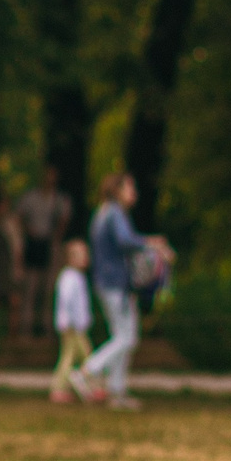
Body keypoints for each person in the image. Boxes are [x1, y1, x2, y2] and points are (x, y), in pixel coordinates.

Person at [83, 171, 165, 410]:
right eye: (130, 188)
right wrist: (152, 244)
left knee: (124, 336)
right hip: (115, 283)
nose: (134, 194)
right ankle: (91, 370)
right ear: (117, 190)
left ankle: (116, 391)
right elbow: (125, 241)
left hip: (108, 282)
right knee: (126, 337)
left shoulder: (102, 213)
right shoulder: (115, 213)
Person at [13, 167, 73, 335]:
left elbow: (64, 219)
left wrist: (55, 237)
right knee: (31, 287)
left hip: (50, 246)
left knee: (49, 289)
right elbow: (19, 216)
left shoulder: (60, 199)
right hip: (33, 245)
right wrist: (29, 231)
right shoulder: (31, 198)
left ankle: (48, 327)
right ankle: (27, 327)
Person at [49, 239, 94, 403]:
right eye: (80, 255)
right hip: (72, 326)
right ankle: (61, 388)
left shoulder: (77, 277)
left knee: (79, 356)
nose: (85, 258)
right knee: (76, 357)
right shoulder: (69, 277)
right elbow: (68, 301)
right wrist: (73, 321)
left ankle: (74, 386)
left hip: (77, 325)